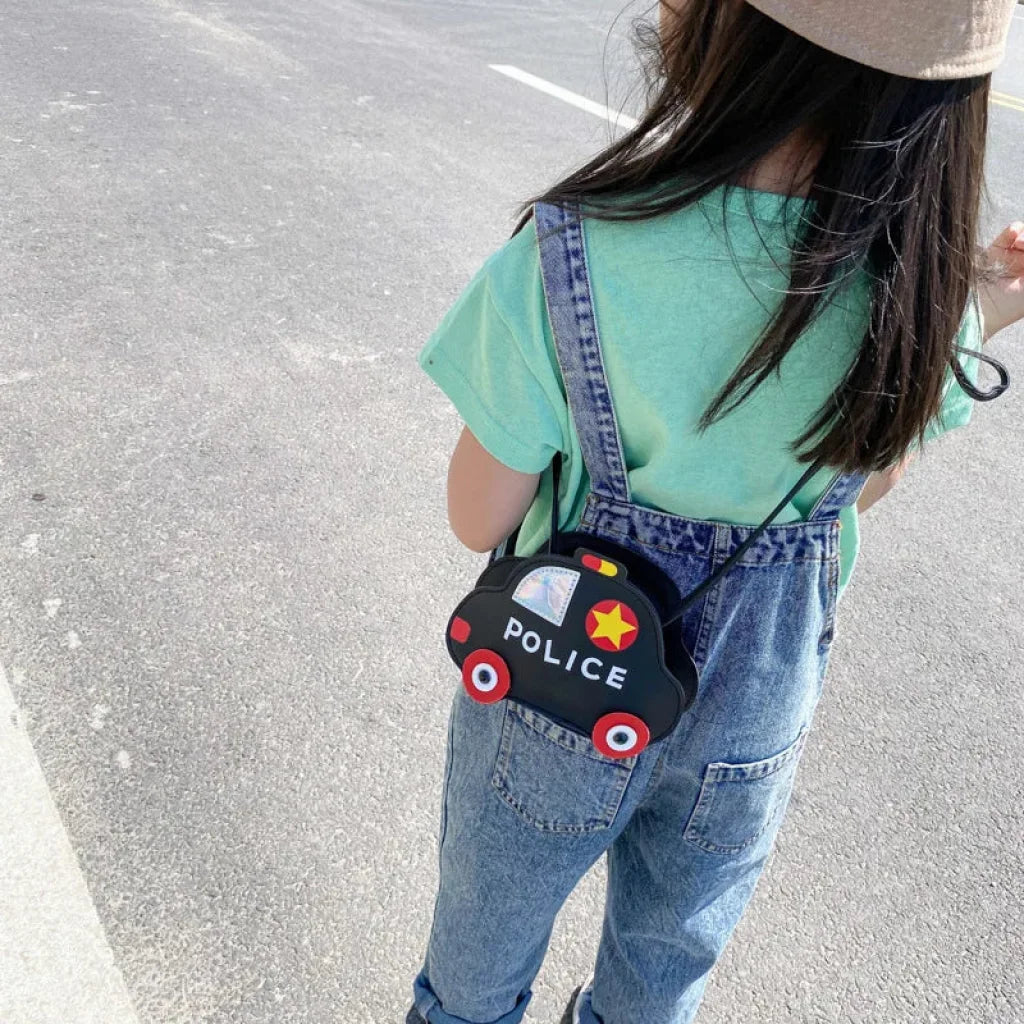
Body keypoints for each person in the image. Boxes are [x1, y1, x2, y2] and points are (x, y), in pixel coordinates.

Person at [407, 1, 1024, 1022]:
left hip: (562, 690)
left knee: (476, 967)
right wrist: (984, 308)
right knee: (659, 980)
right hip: (750, 724)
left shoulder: (574, 252)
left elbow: (479, 516)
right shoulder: (918, 303)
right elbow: (857, 490)